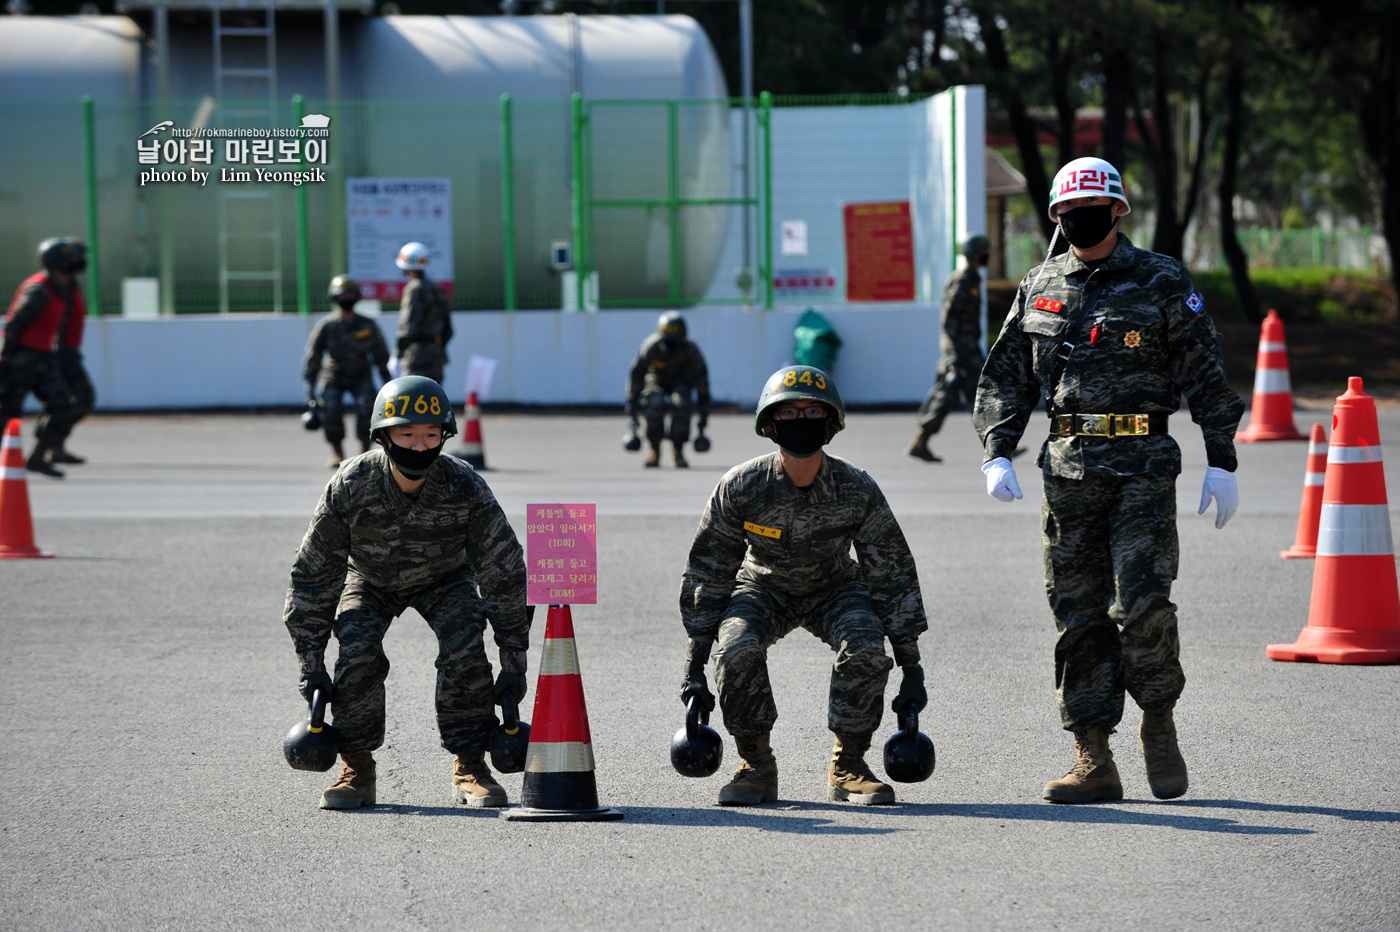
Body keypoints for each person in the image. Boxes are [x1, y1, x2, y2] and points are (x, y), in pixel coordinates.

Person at [972, 156, 1245, 804]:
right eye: (1070, 211)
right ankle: (1093, 755)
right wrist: (997, 449)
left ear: (1118, 211)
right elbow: (1008, 371)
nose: (1081, 219)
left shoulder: (1159, 279)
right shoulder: (1040, 284)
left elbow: (1203, 367)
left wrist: (1221, 455)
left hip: (1143, 466)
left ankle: (1158, 718)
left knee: (1144, 603)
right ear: (1057, 217)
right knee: (1078, 613)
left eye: (1094, 209)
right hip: (1069, 470)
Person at [678, 365, 929, 806]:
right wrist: (694, 666)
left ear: (830, 422)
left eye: (813, 410)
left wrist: (911, 668)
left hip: (834, 587)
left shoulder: (856, 488)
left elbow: (891, 574)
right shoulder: (740, 486)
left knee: (867, 646)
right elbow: (709, 573)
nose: (801, 420)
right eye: (789, 412)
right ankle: (755, 765)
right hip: (761, 588)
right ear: (770, 424)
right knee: (736, 647)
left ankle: (848, 764)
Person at [283, 375, 531, 811]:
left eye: (431, 435)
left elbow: (503, 569)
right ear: (383, 436)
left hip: (446, 577)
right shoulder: (352, 483)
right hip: (370, 577)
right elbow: (314, 573)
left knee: (465, 644)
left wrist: (513, 661)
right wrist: (310, 664)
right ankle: (356, 766)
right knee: (357, 646)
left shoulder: (464, 485)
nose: (420, 446)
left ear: (444, 436)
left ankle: (470, 765)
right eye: (407, 434)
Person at [1, 237, 94, 479]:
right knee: (7, 415)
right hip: (19, 361)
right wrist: (4, 358)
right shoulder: (39, 289)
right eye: (73, 258)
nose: (79, 262)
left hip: (43, 359)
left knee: (62, 405)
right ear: (59, 262)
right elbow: (14, 324)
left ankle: (38, 457)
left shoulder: (64, 287)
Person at [908, 234, 992, 463]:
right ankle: (998, 446)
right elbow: (949, 318)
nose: (988, 257)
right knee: (971, 396)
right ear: (975, 255)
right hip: (961, 352)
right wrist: (954, 353)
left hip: (969, 349)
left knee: (966, 397)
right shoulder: (963, 280)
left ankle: (997, 445)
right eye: (984, 253)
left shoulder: (973, 278)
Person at [303, 275, 392, 468]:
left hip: (361, 374)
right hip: (334, 375)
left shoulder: (368, 325)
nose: (346, 299)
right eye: (342, 296)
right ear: (335, 299)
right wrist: (310, 392)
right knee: (331, 408)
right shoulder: (327, 326)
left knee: (368, 406)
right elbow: (313, 357)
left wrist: (389, 386)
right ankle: (337, 452)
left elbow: (381, 356)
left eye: (350, 295)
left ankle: (363, 451)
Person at [625, 312, 710, 468]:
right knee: (655, 404)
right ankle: (654, 450)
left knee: (682, 405)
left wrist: (703, 411)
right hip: (655, 380)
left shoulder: (691, 350)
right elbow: (637, 374)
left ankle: (678, 451)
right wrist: (632, 401)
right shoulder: (650, 347)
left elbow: (701, 378)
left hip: (681, 381)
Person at [394, 241, 453, 384]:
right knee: (434, 400)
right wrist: (436, 347)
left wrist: (398, 354)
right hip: (436, 355)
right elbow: (449, 330)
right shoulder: (438, 289)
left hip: (415, 356)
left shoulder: (413, 289)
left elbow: (408, 328)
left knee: (411, 398)